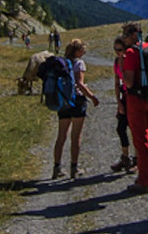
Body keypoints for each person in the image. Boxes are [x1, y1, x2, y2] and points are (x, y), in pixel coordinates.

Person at [53, 39, 100, 179]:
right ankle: (74, 167)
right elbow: (80, 84)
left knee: (61, 136)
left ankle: (57, 167)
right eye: (83, 50)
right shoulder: (79, 63)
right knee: (75, 136)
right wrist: (92, 97)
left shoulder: (61, 63)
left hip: (63, 101)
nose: (84, 52)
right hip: (77, 101)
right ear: (77, 51)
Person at [121, 22, 148, 194]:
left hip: (136, 100)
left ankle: (145, 181)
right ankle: (147, 174)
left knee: (141, 140)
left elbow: (128, 82)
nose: (123, 38)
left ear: (132, 35)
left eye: (125, 35)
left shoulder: (130, 53)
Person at [110, 36, 136, 173]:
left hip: (133, 97)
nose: (117, 52)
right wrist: (118, 102)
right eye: (115, 50)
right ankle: (125, 158)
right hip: (124, 97)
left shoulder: (129, 61)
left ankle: (136, 160)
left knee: (134, 128)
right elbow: (116, 82)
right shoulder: (116, 62)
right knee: (121, 128)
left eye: (120, 49)